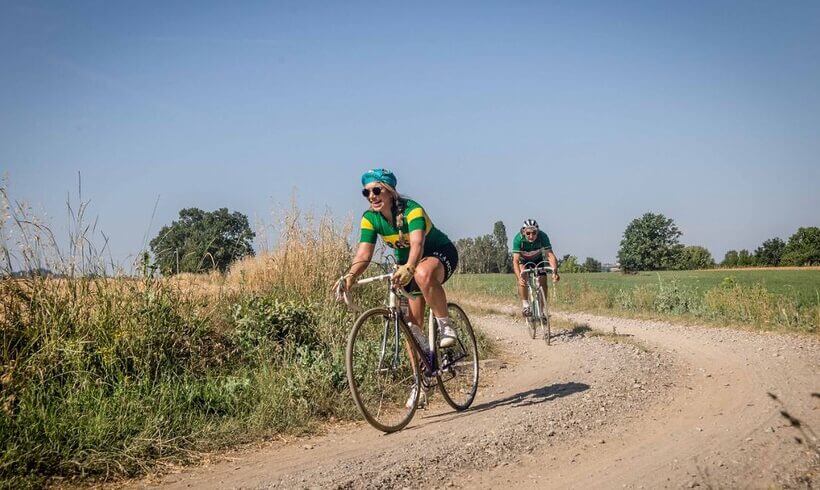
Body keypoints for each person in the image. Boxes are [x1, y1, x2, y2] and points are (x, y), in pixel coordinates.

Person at [342, 168, 459, 350]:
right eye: (366, 192)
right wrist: (350, 275)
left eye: (376, 190)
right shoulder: (370, 218)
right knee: (411, 327)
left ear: (390, 191)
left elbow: (417, 244)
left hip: (439, 254)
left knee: (422, 273)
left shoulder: (412, 210)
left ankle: (445, 325)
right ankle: (422, 374)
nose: (371, 196)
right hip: (408, 264)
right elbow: (364, 255)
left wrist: (410, 266)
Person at [512, 219, 560, 317]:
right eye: (528, 233)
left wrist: (555, 272)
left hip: (538, 259)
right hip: (523, 260)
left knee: (543, 282)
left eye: (534, 233)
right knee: (523, 276)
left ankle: (542, 311)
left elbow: (550, 255)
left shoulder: (543, 236)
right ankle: (525, 305)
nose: (531, 236)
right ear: (523, 232)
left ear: (537, 232)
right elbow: (515, 261)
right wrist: (519, 277)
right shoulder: (518, 239)